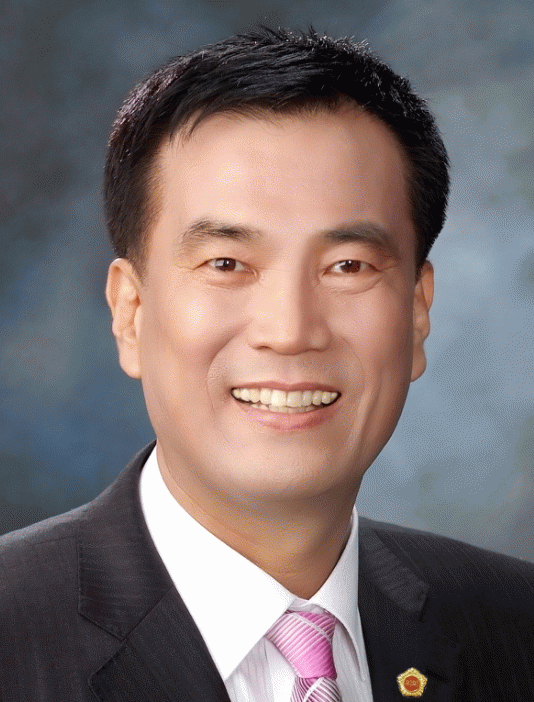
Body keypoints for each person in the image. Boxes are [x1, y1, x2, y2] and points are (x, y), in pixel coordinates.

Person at [0, 26, 532, 702]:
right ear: (130, 312)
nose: (289, 331)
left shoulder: (516, 629)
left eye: (348, 266)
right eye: (227, 263)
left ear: (417, 313)